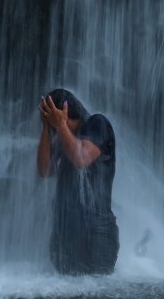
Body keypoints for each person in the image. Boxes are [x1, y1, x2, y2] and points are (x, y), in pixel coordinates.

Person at [37, 88, 119, 274]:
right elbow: (44, 171)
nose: (55, 128)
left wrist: (60, 126)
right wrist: (45, 128)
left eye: (56, 120)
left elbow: (80, 159)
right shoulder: (62, 138)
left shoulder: (98, 124)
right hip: (64, 236)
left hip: (97, 235)